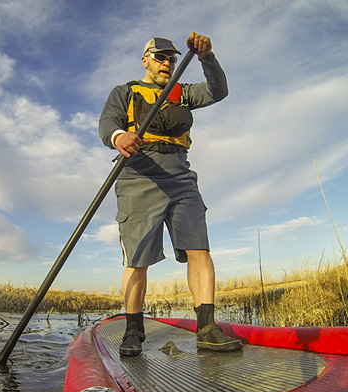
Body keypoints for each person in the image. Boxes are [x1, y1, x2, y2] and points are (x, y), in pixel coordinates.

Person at [98, 32, 244, 356]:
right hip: (139, 177)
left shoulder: (181, 91)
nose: (167, 63)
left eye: (172, 58)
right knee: (137, 261)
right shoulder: (125, 91)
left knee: (199, 249)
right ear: (145, 59)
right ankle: (133, 330)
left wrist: (207, 57)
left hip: (181, 178)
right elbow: (108, 123)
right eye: (161, 57)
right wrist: (119, 136)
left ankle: (207, 328)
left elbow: (219, 90)